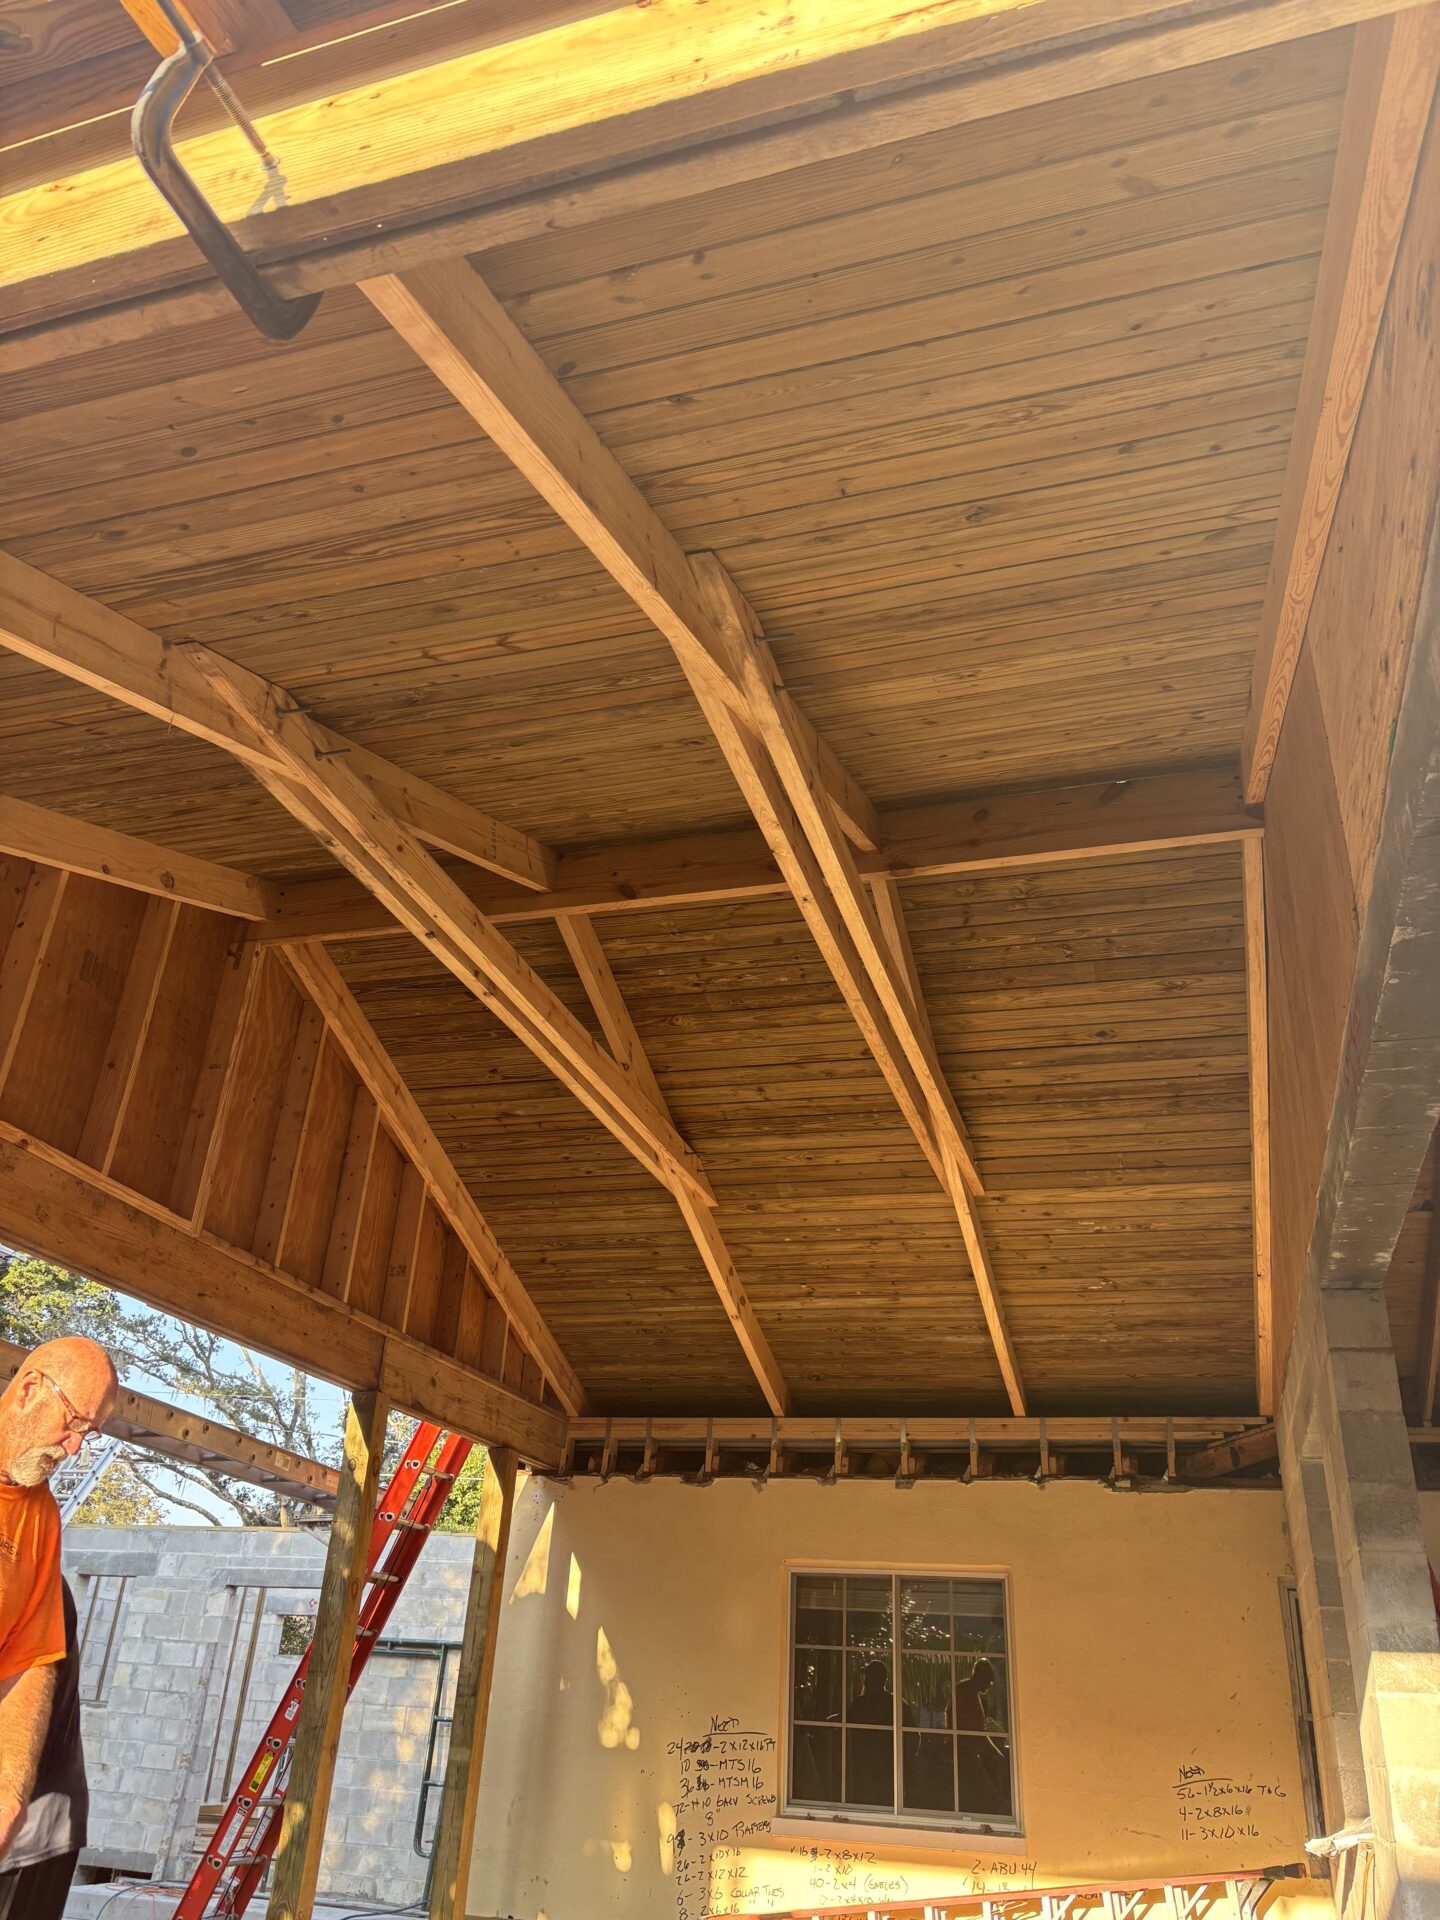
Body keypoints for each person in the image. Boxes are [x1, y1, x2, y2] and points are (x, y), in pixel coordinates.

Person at [0, 1338, 118, 1918]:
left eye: (87, 1435)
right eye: (74, 1424)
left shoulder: (39, 1515)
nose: (74, 1449)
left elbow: (31, 1660)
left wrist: (8, 1797)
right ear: (28, 1389)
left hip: (29, 1835)